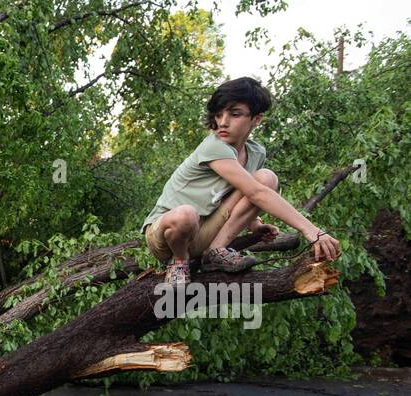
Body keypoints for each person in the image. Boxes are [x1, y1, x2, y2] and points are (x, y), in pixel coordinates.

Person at [141, 76, 342, 285]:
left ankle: (215, 252)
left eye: (234, 114)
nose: (223, 122)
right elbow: (256, 194)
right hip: (167, 235)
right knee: (186, 214)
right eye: (218, 114)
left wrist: (254, 224)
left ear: (256, 119)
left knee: (266, 178)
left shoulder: (256, 152)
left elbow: (243, 190)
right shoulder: (214, 146)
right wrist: (312, 231)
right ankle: (179, 263)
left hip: (205, 230)